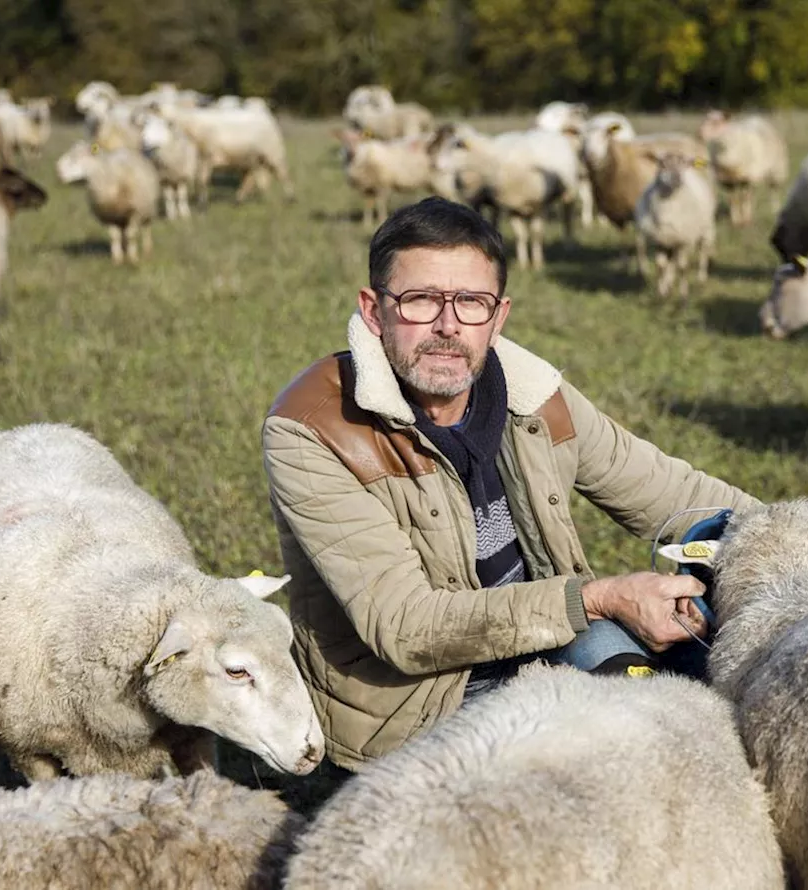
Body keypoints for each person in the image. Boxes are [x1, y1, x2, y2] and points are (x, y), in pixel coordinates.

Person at [261, 196, 760, 773]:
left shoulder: (532, 396)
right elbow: (404, 625)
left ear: (498, 317)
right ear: (375, 312)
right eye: (420, 300)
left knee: (734, 696)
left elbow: (669, 490)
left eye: (471, 303)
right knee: (632, 768)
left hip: (549, 643)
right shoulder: (313, 428)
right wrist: (597, 599)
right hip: (420, 703)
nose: (448, 327)